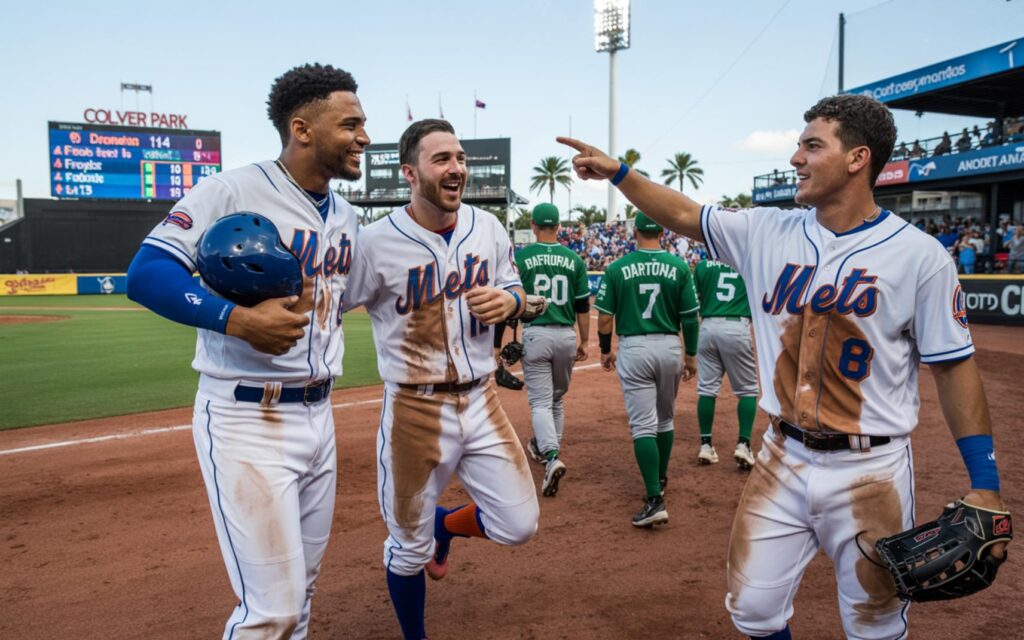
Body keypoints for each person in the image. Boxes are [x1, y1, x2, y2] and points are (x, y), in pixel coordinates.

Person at [559, 92, 1009, 640]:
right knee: (753, 612)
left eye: (812, 145)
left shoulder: (920, 257)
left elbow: (954, 368)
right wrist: (620, 173)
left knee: (874, 625)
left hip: (871, 471)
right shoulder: (767, 231)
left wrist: (984, 481)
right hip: (781, 456)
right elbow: (682, 213)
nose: (796, 157)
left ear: (857, 158)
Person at [125, 63, 368, 639]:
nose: (363, 136)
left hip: (319, 416)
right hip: (245, 418)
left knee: (300, 599)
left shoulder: (349, 216)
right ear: (302, 128)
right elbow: (147, 271)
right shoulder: (231, 189)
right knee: (272, 612)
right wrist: (235, 320)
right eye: (351, 124)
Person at [344, 119, 539, 640]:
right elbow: (331, 305)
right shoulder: (375, 243)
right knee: (406, 551)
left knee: (519, 526)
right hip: (414, 408)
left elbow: (515, 288)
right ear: (409, 173)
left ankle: (444, 527)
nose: (456, 168)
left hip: (481, 399)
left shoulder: (489, 228)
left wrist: (512, 301)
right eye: (442, 159)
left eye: (460, 158)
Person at [593, 212, 699, 528]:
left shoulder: (616, 267)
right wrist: (691, 355)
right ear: (663, 232)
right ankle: (661, 477)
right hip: (669, 346)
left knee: (642, 425)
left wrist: (604, 350)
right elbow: (690, 318)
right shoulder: (680, 266)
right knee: (665, 419)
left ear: (635, 231)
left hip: (635, 346)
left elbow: (605, 319)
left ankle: (654, 498)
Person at [515, 203, 592, 497]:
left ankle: (550, 457)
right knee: (557, 400)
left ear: (533, 225)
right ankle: (549, 451)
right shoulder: (574, 259)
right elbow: (583, 306)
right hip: (565, 336)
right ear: (559, 227)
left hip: (536, 334)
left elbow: (512, 300)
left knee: (541, 404)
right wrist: (584, 341)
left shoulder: (521, 257)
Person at [691, 258, 759, 470]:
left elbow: (695, 301)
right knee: (748, 389)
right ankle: (744, 443)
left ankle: (705, 445)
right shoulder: (748, 261)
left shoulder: (703, 265)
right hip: (736, 324)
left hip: (708, 326)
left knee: (707, 390)